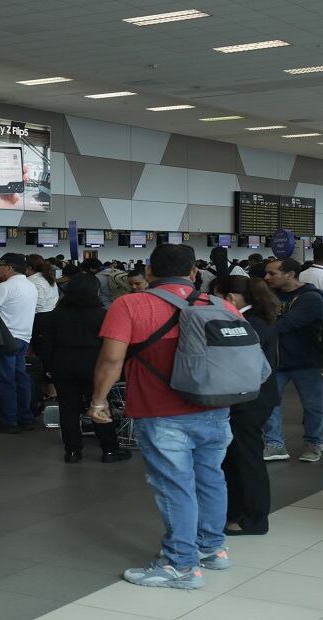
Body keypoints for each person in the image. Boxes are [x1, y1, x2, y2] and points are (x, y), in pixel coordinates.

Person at [92, 243, 235, 590]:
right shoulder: (221, 305)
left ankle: (181, 566)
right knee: (211, 479)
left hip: (161, 412)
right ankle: (212, 549)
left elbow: (112, 360)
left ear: (151, 273)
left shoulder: (130, 304)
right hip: (216, 410)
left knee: (174, 487)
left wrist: (98, 401)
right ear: (194, 273)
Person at [35, 275, 129, 463]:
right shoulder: (103, 315)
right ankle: (109, 449)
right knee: (99, 403)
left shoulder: (54, 316)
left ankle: (72, 451)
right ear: (95, 292)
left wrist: (49, 367)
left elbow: (46, 345)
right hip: (94, 365)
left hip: (62, 364)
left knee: (68, 408)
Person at [214, 275, 278, 536]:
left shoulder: (247, 323)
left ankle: (253, 519)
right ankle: (237, 512)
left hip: (248, 400)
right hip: (256, 397)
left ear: (230, 298)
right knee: (238, 459)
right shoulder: (260, 319)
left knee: (246, 459)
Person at [261, 258, 323, 463]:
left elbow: (284, 324)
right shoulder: (269, 295)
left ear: (290, 274)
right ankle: (274, 444)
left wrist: (259, 328)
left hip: (308, 361)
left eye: (272, 273)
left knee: (313, 406)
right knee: (270, 404)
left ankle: (313, 443)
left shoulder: (311, 298)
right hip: (276, 360)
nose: (267, 277)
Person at [0, 253, 38, 434]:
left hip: (3, 339)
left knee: (4, 380)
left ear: (9, 267)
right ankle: (25, 418)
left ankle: (8, 421)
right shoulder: (31, 286)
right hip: (23, 338)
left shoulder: (4, 287)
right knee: (20, 378)